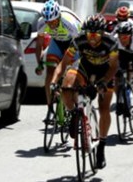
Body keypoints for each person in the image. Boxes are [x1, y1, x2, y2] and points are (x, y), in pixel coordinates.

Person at [50, 15, 119, 169]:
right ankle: (75, 113)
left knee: (104, 108)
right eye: (89, 34)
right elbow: (63, 64)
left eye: (96, 34)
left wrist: (102, 83)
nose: (92, 38)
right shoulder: (79, 40)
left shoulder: (110, 43)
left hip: (105, 72)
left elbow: (114, 66)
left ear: (102, 33)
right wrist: (54, 82)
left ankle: (101, 145)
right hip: (85, 68)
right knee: (67, 85)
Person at [35, 0, 81, 121]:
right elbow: (39, 45)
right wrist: (39, 63)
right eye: (48, 22)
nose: (51, 25)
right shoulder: (41, 23)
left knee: (72, 75)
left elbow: (79, 43)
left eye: (54, 21)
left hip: (73, 44)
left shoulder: (69, 23)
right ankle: (50, 109)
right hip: (57, 43)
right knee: (50, 72)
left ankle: (76, 108)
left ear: (59, 17)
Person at [112, 21, 133, 120]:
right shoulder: (115, 40)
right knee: (116, 76)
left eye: (125, 37)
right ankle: (119, 99)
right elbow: (110, 58)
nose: (122, 40)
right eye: (120, 37)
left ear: (131, 36)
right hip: (122, 54)